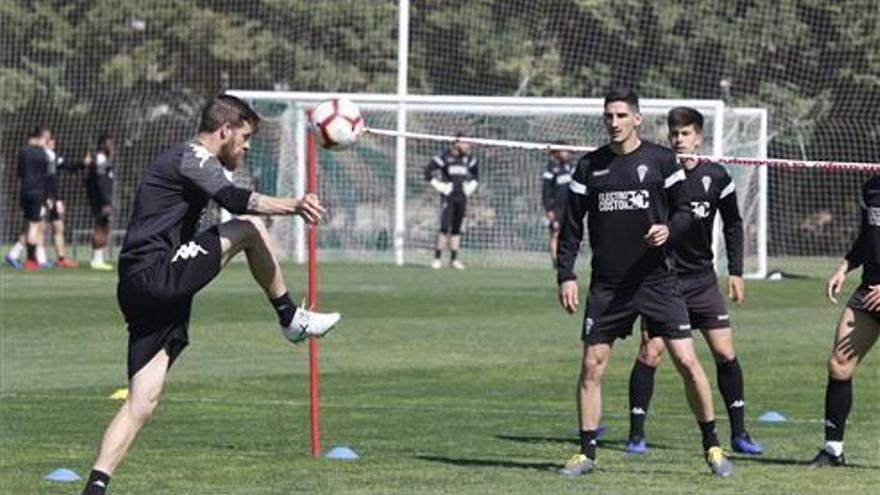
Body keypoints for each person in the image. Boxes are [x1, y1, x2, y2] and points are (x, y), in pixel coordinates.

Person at [79, 95, 342, 495]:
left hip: (140, 288)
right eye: (246, 136)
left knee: (143, 401)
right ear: (225, 130)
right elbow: (234, 200)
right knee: (249, 226)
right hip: (155, 275)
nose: (247, 146)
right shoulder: (193, 157)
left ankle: (94, 488)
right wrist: (295, 204)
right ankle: (290, 318)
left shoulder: (192, 163)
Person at [555, 89, 732, 477]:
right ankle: (586, 453)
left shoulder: (661, 160)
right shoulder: (590, 167)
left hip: (657, 281)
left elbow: (685, 210)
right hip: (608, 287)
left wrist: (668, 229)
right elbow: (570, 228)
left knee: (686, 361)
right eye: (608, 116)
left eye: (621, 115)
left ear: (637, 118)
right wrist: (566, 273)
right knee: (591, 366)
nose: (614, 122)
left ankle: (713, 446)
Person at [624, 107, 762, 455]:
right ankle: (637, 434)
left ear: (698, 137)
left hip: (702, 281)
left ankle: (740, 434)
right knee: (650, 352)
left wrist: (736, 272)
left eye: (685, 134)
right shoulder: (657, 175)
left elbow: (733, 224)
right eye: (674, 134)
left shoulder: (717, 176)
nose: (679, 140)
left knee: (724, 352)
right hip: (663, 280)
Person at [809, 174, 880, 468]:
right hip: (870, 290)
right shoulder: (873, 186)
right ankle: (833, 448)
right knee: (839, 363)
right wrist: (844, 267)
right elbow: (867, 237)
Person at [424, 134, 478, 270]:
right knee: (444, 227)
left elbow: (476, 176)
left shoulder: (468, 159)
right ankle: (437, 259)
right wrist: (441, 186)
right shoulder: (444, 157)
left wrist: (469, 188)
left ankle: (454, 259)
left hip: (462, 197)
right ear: (456, 143)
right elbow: (427, 172)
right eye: (465, 142)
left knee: (456, 229)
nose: (468, 145)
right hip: (448, 197)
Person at [13, 125, 52, 270]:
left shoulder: (23, 151)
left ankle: (16, 255)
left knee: (28, 223)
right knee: (34, 225)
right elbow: (46, 177)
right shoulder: (43, 154)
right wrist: (47, 197)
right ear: (40, 138)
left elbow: (20, 172)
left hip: (24, 191)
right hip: (38, 192)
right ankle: (30, 259)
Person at [43, 135, 78, 267]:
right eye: (50, 141)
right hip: (46, 197)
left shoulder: (53, 156)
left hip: (52, 197)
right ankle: (37, 258)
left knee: (58, 227)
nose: (53, 144)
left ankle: (61, 258)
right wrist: (50, 197)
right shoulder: (43, 157)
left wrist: (82, 164)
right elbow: (44, 180)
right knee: (38, 227)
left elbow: (68, 166)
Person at [84, 133, 115, 271]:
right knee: (100, 226)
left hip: (101, 199)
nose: (111, 146)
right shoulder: (101, 159)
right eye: (109, 143)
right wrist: (106, 202)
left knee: (104, 226)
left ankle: (99, 258)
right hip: (101, 200)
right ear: (102, 145)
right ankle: (96, 259)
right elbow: (100, 182)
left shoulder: (103, 159)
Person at [542, 141, 574, 267]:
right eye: (564, 150)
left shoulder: (571, 167)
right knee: (555, 232)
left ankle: (567, 257)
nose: (567, 153)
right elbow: (546, 191)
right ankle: (555, 260)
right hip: (557, 208)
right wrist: (549, 209)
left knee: (570, 234)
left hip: (570, 207)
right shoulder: (551, 169)